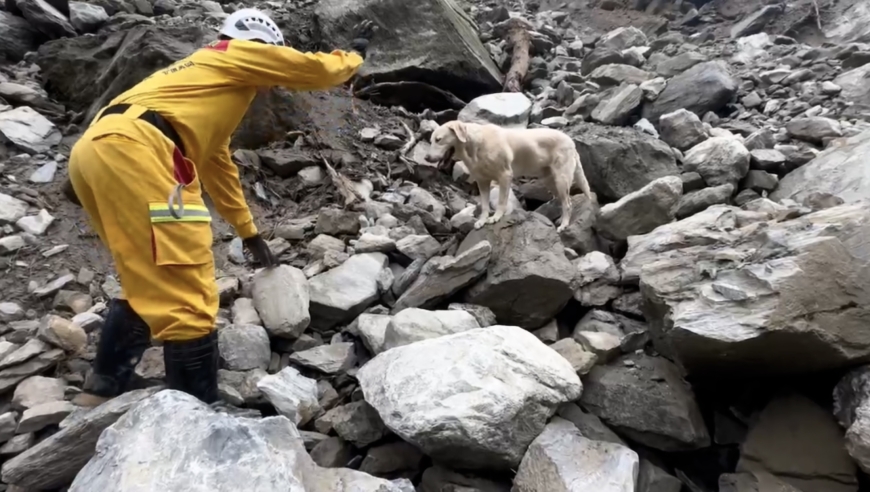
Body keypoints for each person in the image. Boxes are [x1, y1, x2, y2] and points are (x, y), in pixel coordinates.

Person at [66, 8, 375, 407]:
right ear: (262, 47)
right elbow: (314, 70)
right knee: (190, 290)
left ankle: (101, 390)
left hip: (96, 151)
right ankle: (195, 418)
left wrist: (249, 232)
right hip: (142, 150)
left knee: (146, 276)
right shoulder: (234, 52)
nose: (270, 84)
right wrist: (352, 56)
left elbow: (218, 167)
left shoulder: (200, 88)